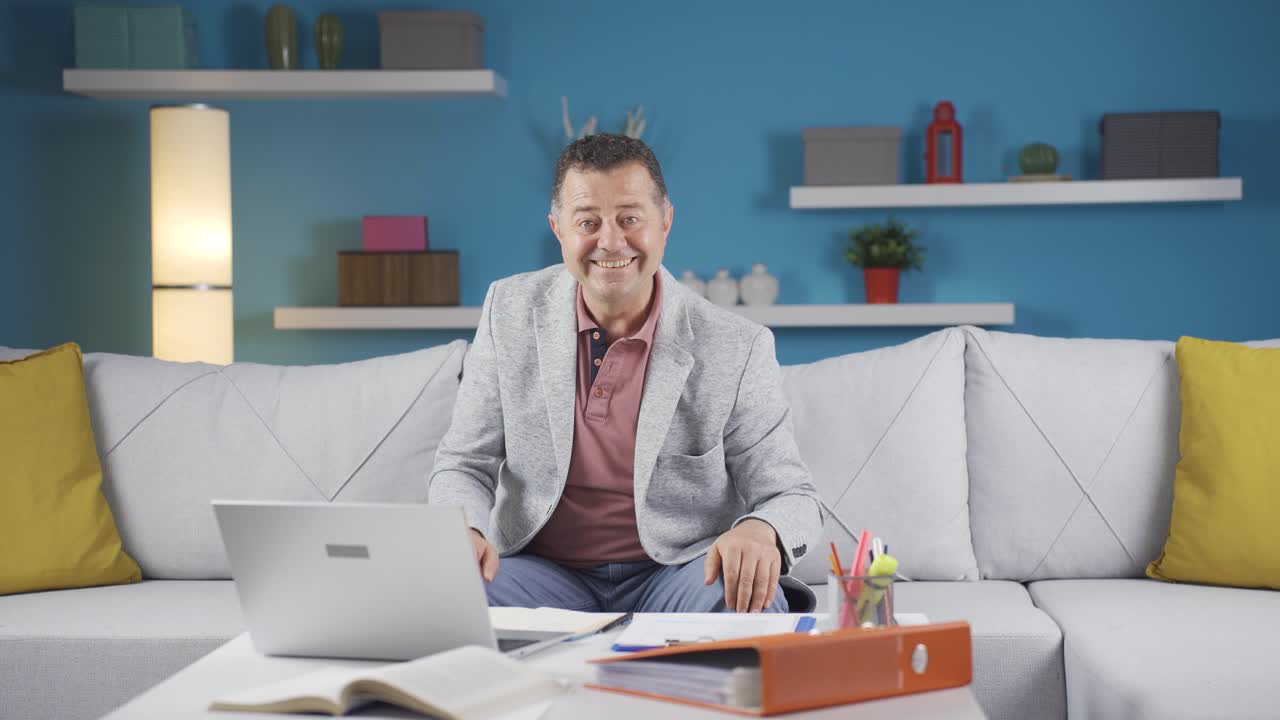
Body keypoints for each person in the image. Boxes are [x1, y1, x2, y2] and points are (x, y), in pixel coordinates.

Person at [428, 133, 822, 613]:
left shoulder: (737, 346)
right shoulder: (507, 311)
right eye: (588, 221)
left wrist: (761, 531)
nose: (610, 241)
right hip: (542, 571)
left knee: (746, 605)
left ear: (665, 222)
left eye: (630, 218)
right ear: (558, 229)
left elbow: (792, 495)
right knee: (442, 600)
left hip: (679, 573)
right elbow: (465, 463)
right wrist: (464, 531)